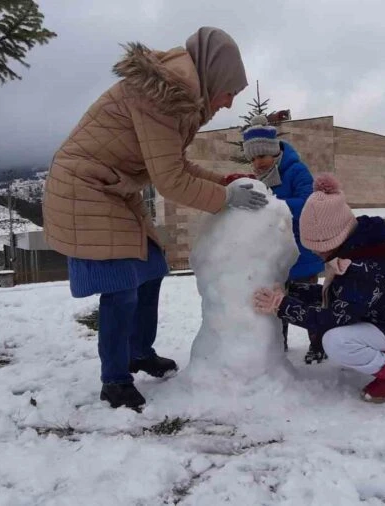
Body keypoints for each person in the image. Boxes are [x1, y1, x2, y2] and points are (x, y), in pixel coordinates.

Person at [43, 27, 267, 411]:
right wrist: (226, 197)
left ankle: (138, 352)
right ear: (214, 79)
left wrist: (222, 180)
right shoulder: (161, 97)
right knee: (121, 286)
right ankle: (115, 380)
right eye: (230, 92)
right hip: (86, 189)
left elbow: (172, 162)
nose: (229, 103)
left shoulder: (177, 98)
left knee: (151, 268)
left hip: (114, 188)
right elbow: (170, 180)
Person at [252, 174, 385, 402]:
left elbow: (330, 317)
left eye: (319, 247)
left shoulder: (361, 271)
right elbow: (337, 298)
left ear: (334, 240)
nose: (316, 253)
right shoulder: (356, 254)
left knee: (335, 340)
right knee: (337, 333)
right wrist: (292, 291)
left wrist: (281, 306)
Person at [223, 115, 327, 363]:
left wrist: (272, 205)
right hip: (274, 254)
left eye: (261, 156)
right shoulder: (261, 177)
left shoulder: (296, 170)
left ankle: (318, 343)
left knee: (309, 300)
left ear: (273, 152)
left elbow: (307, 203)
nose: (257, 163)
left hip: (302, 250)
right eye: (253, 158)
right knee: (278, 301)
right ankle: (279, 344)